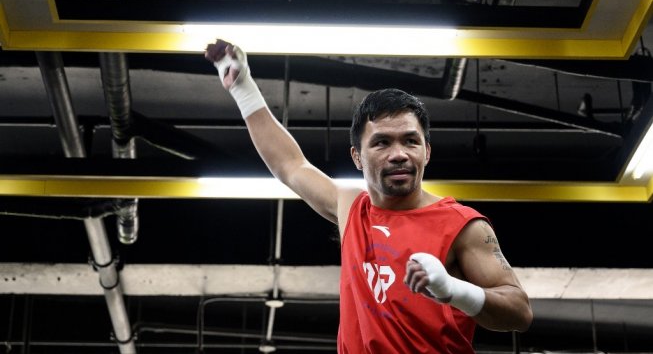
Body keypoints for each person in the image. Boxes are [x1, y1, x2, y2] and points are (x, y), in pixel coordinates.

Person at [204, 39, 533, 353]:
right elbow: (289, 164)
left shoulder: (461, 225)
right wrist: (243, 87)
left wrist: (453, 290)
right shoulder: (351, 207)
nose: (399, 154)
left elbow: (519, 312)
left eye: (410, 141)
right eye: (382, 143)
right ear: (357, 157)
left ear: (427, 152)